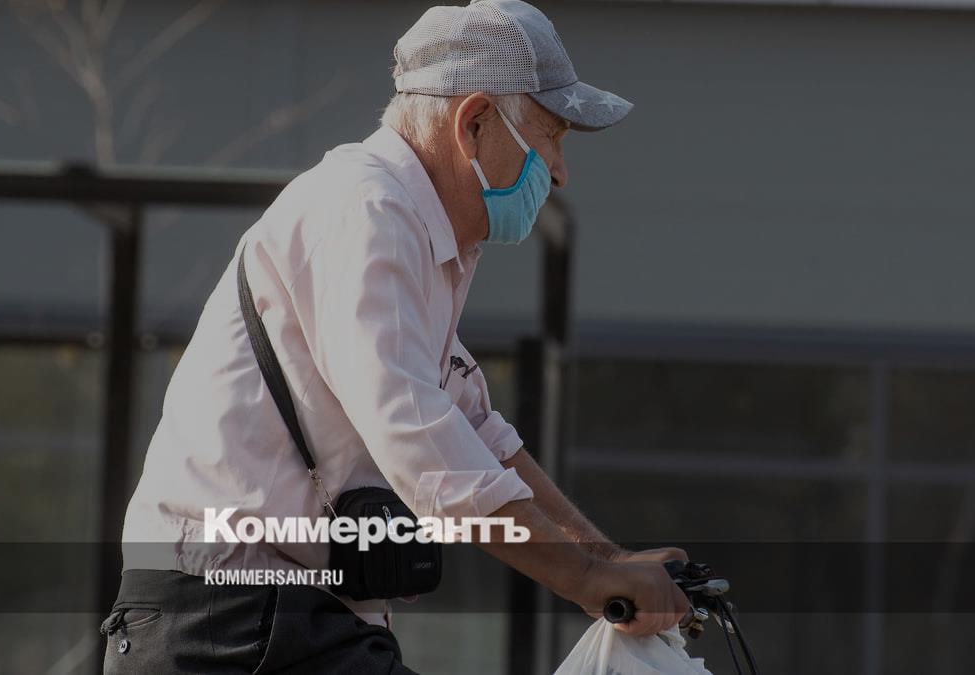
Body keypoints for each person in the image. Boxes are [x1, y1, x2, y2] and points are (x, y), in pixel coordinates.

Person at [102, 1, 689, 672]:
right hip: (228, 616)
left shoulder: (412, 230)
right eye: (551, 135)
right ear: (473, 122)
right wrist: (585, 577)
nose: (559, 170)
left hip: (268, 614)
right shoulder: (365, 211)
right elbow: (417, 430)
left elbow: (477, 431)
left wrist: (607, 561)